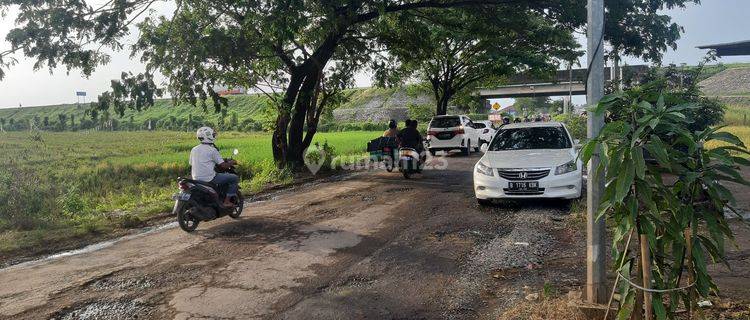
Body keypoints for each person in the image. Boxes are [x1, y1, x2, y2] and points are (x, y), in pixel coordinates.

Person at [190, 127, 239, 207]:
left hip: (196, 179)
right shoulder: (212, 150)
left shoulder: (194, 149)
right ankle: (226, 201)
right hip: (209, 178)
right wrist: (232, 162)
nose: (214, 136)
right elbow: (223, 165)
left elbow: (193, 163)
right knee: (234, 178)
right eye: (212, 134)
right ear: (208, 136)